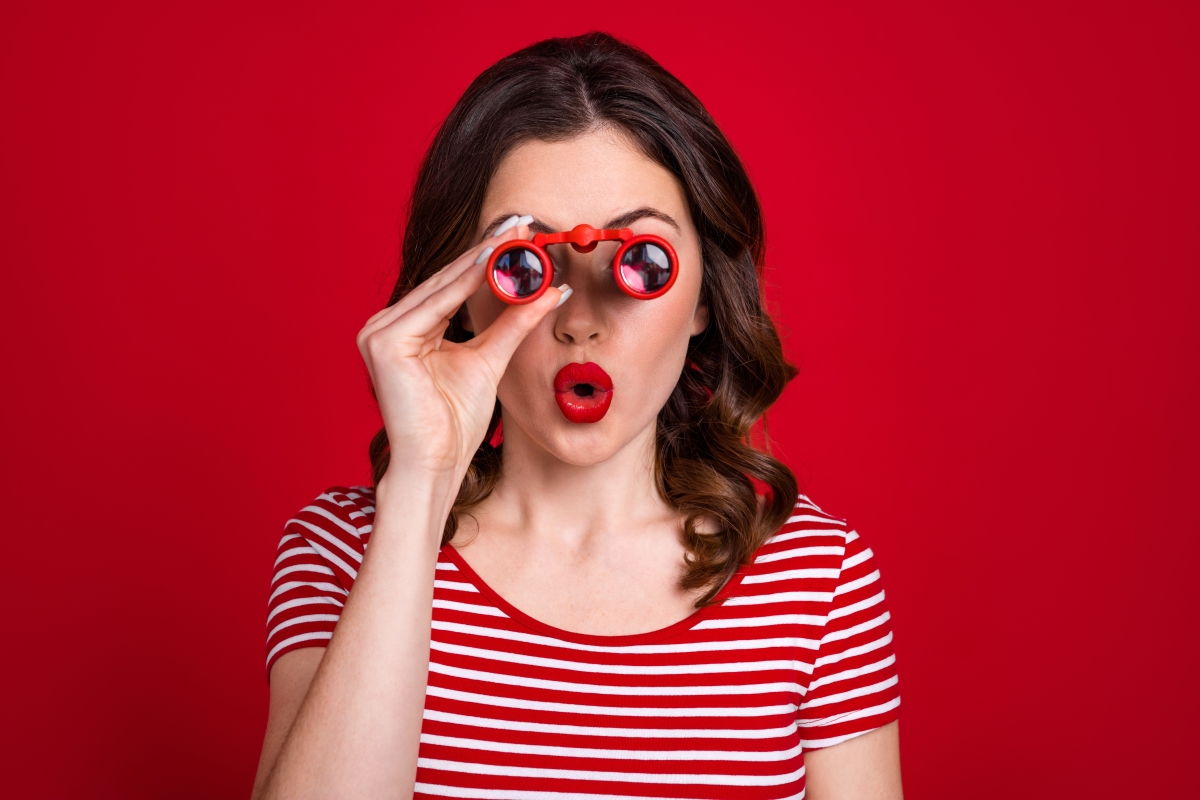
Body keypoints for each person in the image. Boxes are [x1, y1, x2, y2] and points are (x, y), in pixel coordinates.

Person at [252, 32, 903, 800]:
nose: (579, 322)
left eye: (643, 264)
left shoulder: (817, 582)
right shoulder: (343, 555)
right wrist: (418, 491)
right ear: (461, 293)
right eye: (525, 265)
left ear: (702, 297)